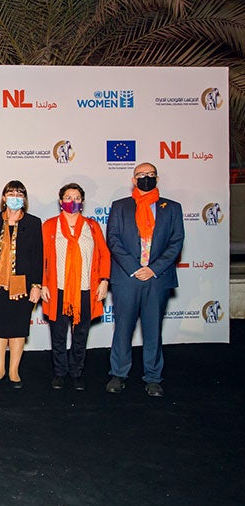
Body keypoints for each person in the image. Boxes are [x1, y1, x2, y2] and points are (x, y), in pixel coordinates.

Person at [106, 163, 184, 397]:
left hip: (157, 279)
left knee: (153, 330)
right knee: (123, 329)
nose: (146, 178)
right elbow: (113, 239)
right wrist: (134, 268)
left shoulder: (171, 208)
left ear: (157, 178)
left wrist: (153, 269)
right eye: (141, 175)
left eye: (150, 175)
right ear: (133, 178)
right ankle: (118, 375)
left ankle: (153, 378)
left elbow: (176, 242)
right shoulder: (120, 207)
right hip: (126, 278)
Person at [42, 183, 111, 391]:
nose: (73, 201)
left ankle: (76, 372)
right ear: (60, 201)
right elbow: (41, 257)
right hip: (58, 289)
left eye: (77, 197)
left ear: (82, 201)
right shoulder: (50, 226)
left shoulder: (92, 226)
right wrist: (43, 284)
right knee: (59, 335)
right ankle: (60, 373)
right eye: (68, 197)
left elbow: (104, 254)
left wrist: (104, 281)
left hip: (85, 290)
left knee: (81, 334)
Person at [0, 181, 42, 389]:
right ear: (3, 197)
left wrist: (37, 285)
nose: (15, 196)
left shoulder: (34, 223)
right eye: (11, 192)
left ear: (24, 199)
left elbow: (38, 257)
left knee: (17, 328)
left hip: (22, 285)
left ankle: (14, 371)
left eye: (19, 193)